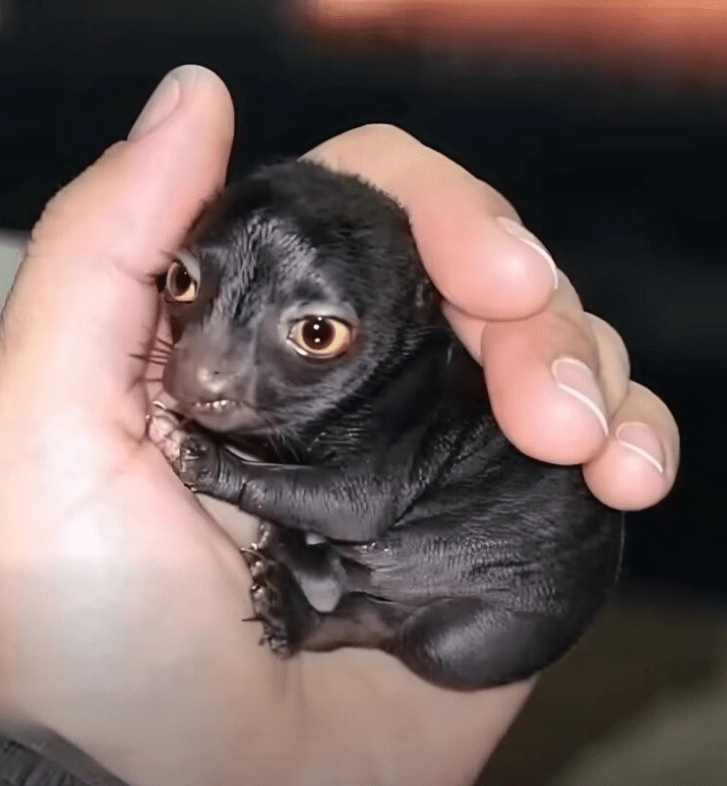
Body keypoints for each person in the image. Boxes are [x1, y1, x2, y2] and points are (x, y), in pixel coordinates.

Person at [0, 65, 678, 786]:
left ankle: (343, 618)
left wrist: (215, 469)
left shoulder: (424, 399)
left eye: (315, 334)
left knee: (442, 646)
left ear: (404, 325)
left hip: (461, 600)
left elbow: (357, 509)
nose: (202, 372)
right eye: (187, 282)